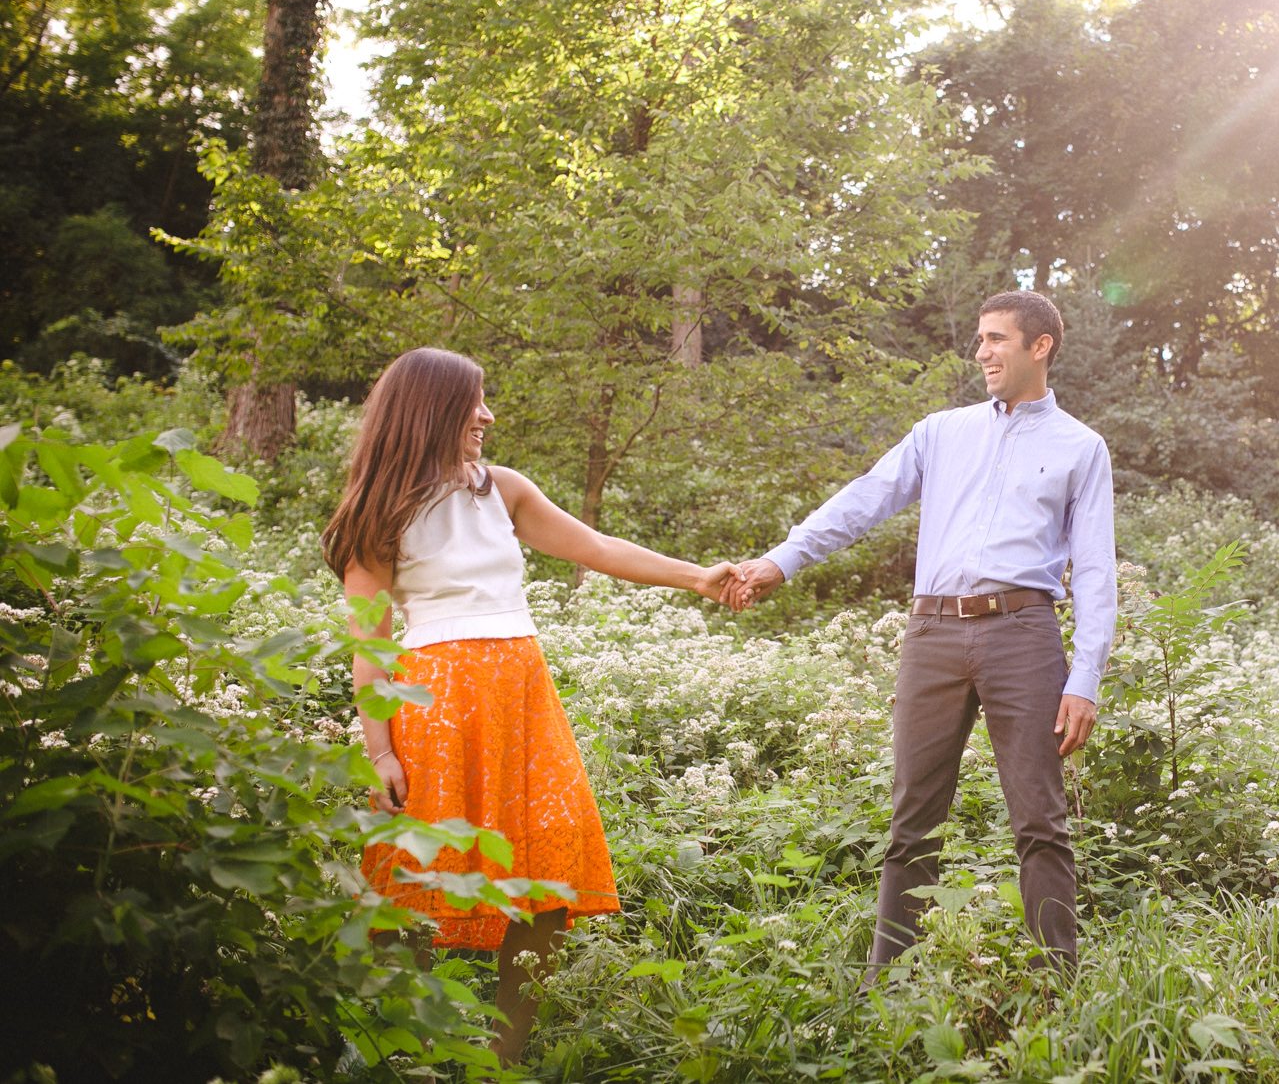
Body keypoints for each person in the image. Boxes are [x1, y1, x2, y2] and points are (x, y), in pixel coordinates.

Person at [322, 347, 737, 1062]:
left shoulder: (502, 489)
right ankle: (419, 1059)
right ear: (431, 411)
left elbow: (597, 545)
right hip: (436, 706)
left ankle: (499, 1065)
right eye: (473, 402)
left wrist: (697, 576)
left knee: (546, 884)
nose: (486, 415)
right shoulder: (379, 511)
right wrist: (381, 749)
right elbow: (371, 644)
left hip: (521, 695)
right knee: (412, 887)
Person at [727, 290, 1116, 969]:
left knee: (1041, 824)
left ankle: (1061, 989)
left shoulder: (1081, 447)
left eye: (996, 338)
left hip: (1023, 634)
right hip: (932, 634)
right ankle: (887, 988)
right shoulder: (941, 431)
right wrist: (782, 560)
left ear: (1040, 345)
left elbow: (1096, 571)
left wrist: (1085, 677)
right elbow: (865, 499)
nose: (982, 352)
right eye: (980, 338)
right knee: (912, 821)